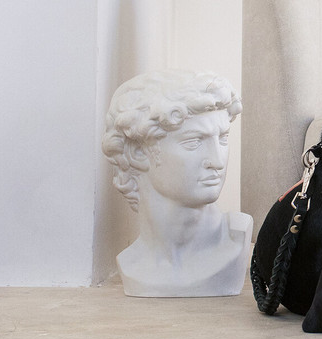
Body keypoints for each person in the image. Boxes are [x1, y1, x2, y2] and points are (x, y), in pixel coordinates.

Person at [102, 70, 252, 297]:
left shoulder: (236, 236)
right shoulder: (130, 262)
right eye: (194, 142)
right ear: (138, 152)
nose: (217, 162)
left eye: (222, 138)